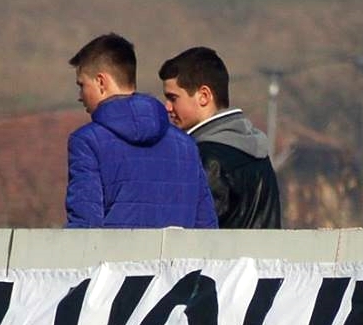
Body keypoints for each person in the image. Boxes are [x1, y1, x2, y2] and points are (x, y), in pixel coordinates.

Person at [65, 33, 217, 230]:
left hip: (114, 251)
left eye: (82, 85)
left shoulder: (87, 142)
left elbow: (85, 228)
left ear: (101, 82)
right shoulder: (186, 144)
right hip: (178, 252)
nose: (80, 96)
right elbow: (206, 229)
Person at [158, 46, 283, 229]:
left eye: (173, 98)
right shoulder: (259, 153)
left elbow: (192, 234)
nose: (167, 107)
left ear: (204, 96)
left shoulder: (205, 159)